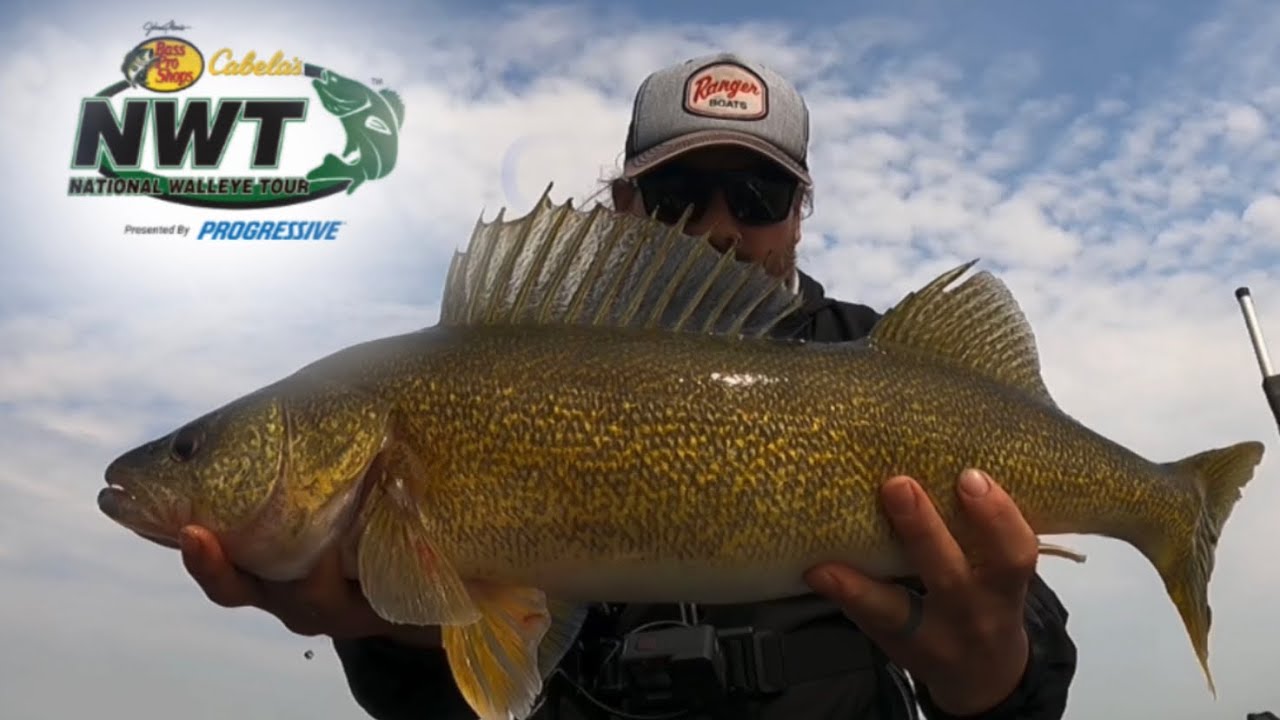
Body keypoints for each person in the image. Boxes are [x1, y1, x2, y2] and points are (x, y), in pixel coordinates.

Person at [176, 52, 1078, 719]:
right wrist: (385, 634)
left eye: (759, 194)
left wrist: (993, 676)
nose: (723, 227)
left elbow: (1025, 647)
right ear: (624, 206)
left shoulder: (888, 367)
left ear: (801, 214)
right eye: (683, 189)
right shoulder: (518, 365)